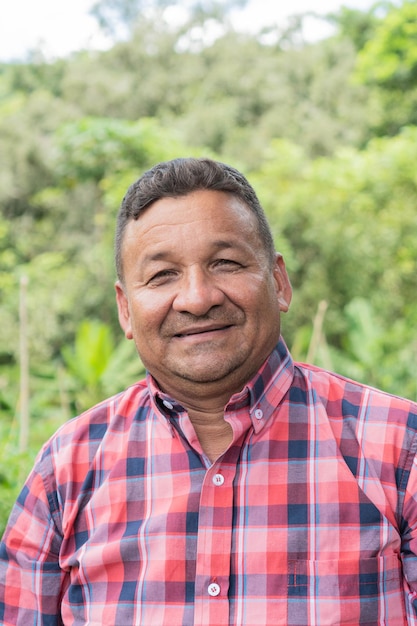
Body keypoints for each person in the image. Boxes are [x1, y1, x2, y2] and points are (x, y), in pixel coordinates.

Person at [1, 157, 417, 626]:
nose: (198, 298)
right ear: (125, 309)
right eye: (162, 275)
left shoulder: (400, 449)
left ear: (279, 282)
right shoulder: (67, 469)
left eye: (226, 263)